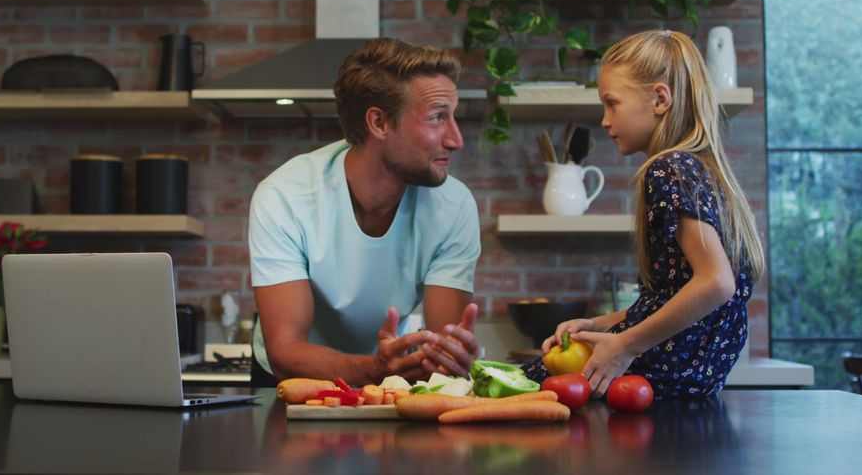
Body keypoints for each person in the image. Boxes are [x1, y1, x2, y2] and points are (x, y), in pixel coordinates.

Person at [533, 29, 765, 399]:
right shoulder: (703, 169)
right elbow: (671, 300)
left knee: (521, 383)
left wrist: (624, 346)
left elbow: (717, 283)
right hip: (693, 380)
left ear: (659, 99)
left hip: (663, 373)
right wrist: (597, 324)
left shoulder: (667, 169)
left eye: (612, 103)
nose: (605, 121)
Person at [248, 38, 481, 386]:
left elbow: (443, 346)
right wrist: (376, 369)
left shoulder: (454, 206)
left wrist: (450, 357)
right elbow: (286, 350)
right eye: (437, 118)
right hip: (293, 377)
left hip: (387, 371)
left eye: (453, 116)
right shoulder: (284, 197)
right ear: (379, 123)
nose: (456, 139)